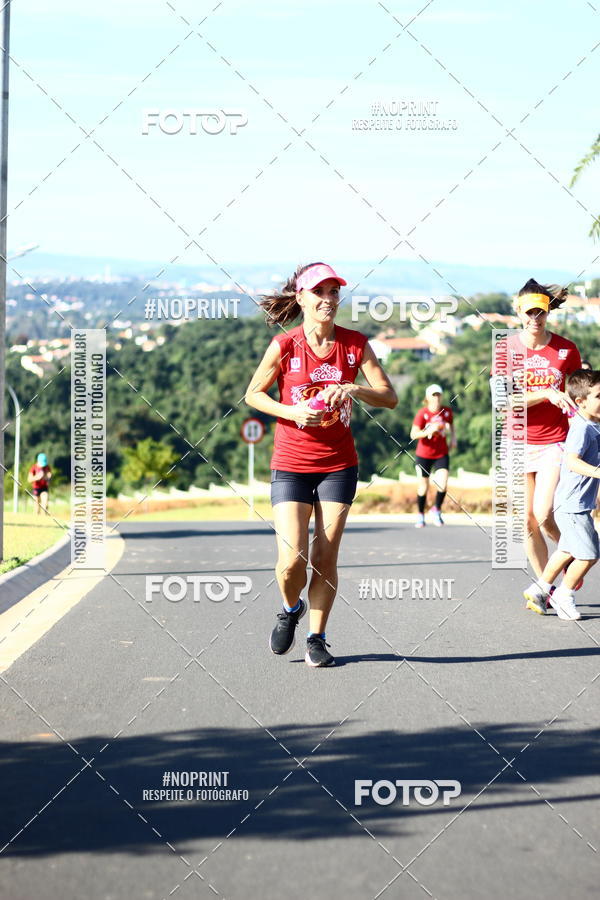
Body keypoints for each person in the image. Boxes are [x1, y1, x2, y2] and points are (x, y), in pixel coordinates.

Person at [245, 261, 398, 667]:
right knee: (291, 558)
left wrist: (353, 388)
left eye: (334, 292)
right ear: (301, 298)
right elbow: (253, 395)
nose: (329, 300)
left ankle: (317, 636)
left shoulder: (354, 344)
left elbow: (389, 396)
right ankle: (289, 607)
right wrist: (292, 413)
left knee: (325, 557)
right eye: (320, 292)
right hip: (291, 462)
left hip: (339, 465)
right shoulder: (285, 346)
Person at [490, 279, 582, 583]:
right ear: (518, 313)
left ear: (548, 312)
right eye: (529, 313)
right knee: (525, 522)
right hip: (515, 442)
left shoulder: (566, 350)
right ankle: (546, 587)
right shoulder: (505, 349)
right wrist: (546, 394)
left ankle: (571, 553)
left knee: (544, 515)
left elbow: (579, 396)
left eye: (540, 313)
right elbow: (503, 402)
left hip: (553, 442)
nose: (535, 319)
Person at [523, 369, 600, 620]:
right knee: (589, 554)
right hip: (573, 505)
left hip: (573, 503)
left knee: (566, 549)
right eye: (599, 396)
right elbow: (572, 462)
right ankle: (563, 596)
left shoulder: (592, 424)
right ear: (581, 401)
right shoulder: (582, 428)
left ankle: (540, 588)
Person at [410, 384, 455, 527]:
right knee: (423, 486)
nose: (436, 398)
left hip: (441, 453)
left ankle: (436, 509)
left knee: (442, 483)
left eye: (438, 395)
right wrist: (428, 431)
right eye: (433, 395)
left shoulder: (446, 412)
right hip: (424, 454)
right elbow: (413, 434)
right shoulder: (422, 414)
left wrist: (453, 438)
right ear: (427, 398)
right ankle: (420, 514)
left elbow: (451, 425)